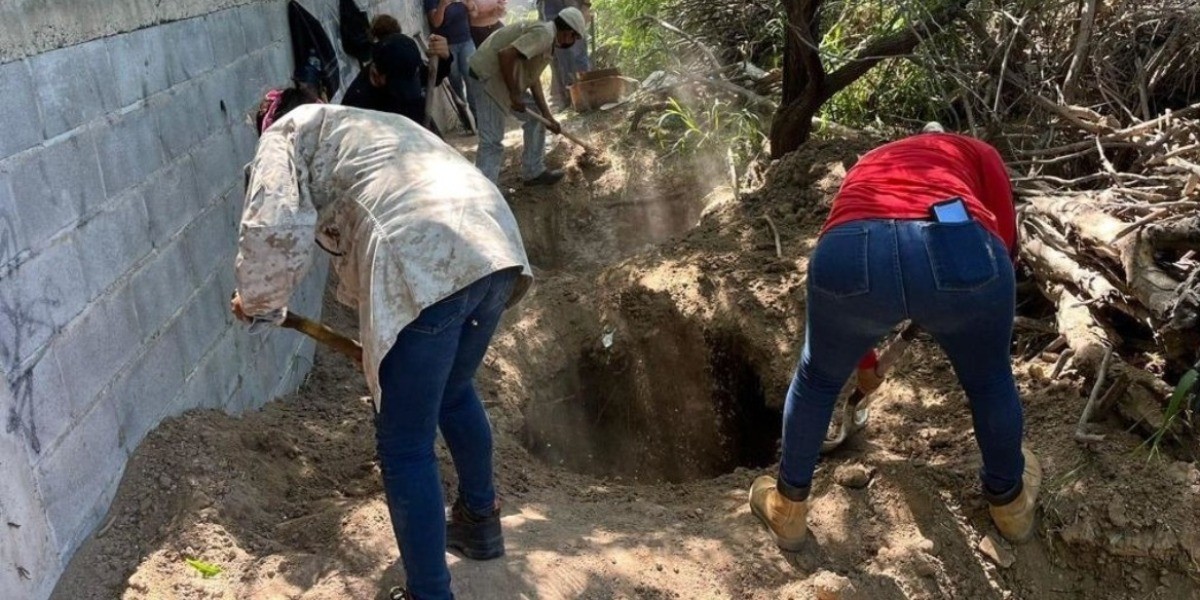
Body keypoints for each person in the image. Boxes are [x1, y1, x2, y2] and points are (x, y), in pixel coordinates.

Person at [231, 90, 533, 600]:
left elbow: (273, 222)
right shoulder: (372, 124)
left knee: (404, 444)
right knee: (455, 392)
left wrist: (257, 299)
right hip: (493, 246)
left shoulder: (283, 133)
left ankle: (430, 593)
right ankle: (480, 522)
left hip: (425, 257)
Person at [748, 123, 1041, 552]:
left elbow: (855, 280)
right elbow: (1006, 239)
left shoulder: (871, 160)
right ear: (945, 140)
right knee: (990, 380)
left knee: (816, 380)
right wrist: (962, 298)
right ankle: (1011, 508)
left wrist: (864, 365)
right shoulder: (976, 150)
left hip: (852, 249)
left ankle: (788, 510)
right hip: (959, 246)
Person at [467, 7, 587, 186]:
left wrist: (547, 116)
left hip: (502, 76)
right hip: (488, 76)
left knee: (536, 117)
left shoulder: (548, 40)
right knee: (492, 141)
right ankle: (485, 193)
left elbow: (533, 79)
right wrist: (514, 94)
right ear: (568, 32)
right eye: (575, 38)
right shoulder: (544, 35)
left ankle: (533, 171)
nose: (573, 42)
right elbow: (505, 55)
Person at [342, 32, 452, 133]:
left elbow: (431, 79)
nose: (407, 94)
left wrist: (444, 59)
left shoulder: (406, 68)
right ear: (376, 75)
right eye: (401, 87)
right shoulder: (357, 108)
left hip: (421, 135)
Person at [426, 0, 479, 119]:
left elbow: (475, 14)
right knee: (456, 83)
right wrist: (443, 4)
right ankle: (466, 118)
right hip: (447, 47)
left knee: (471, 78)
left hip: (466, 41)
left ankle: (477, 117)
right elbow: (435, 23)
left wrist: (470, 6)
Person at [538, 0, 592, 109]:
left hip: (570, 3)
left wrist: (586, 5)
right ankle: (568, 98)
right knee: (556, 56)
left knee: (577, 52)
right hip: (547, 5)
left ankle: (587, 96)